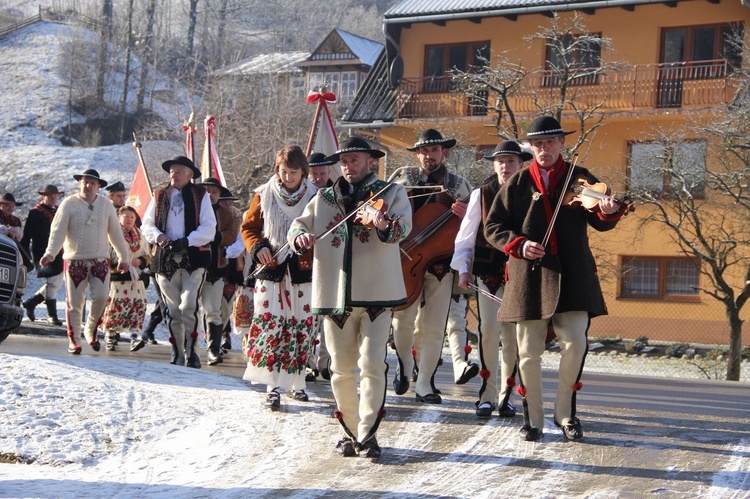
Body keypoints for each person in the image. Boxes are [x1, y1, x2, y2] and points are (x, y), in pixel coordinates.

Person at [484, 117, 628, 441]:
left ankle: (565, 413)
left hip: (573, 275)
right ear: (531, 147)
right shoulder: (518, 183)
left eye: (549, 142)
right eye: (537, 144)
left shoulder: (581, 179)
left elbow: (601, 221)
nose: (543, 149)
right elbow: (492, 227)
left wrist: (607, 209)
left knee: (576, 344)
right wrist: (519, 244)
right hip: (528, 278)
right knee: (527, 352)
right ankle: (532, 420)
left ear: (562, 144)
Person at [290, 137, 412, 459]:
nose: (348, 166)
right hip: (335, 293)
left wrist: (385, 224)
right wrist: (299, 237)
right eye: (344, 161)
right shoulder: (324, 198)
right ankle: (349, 430)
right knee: (341, 369)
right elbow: (298, 226)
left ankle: (368, 433)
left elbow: (402, 230)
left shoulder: (392, 193)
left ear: (370, 161)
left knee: (373, 364)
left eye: (355, 160)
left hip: (377, 294)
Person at [391, 129, 473, 404]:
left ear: (443, 153)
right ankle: (404, 366)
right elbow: (382, 206)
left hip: (441, 262)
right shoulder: (401, 178)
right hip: (405, 258)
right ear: (417, 154)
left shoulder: (458, 185)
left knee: (436, 325)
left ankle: (425, 383)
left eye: (434, 150)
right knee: (402, 320)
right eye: (424, 151)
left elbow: (473, 225)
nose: (429, 156)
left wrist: (465, 215)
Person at [452, 140, 531, 418]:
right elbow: (466, 235)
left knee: (512, 337)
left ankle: (506, 395)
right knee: (488, 332)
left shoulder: (531, 193)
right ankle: (486, 394)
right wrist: (462, 268)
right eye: (501, 161)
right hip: (486, 272)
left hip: (520, 273)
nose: (505, 166)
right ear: (494, 165)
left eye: (511, 161)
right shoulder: (482, 193)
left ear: (521, 164)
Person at [241, 144, 317, 409]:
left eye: (293, 172)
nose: (288, 177)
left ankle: (296, 382)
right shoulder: (264, 194)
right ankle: (272, 386)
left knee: (299, 327)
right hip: (272, 270)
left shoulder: (315, 197)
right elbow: (249, 228)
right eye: (284, 172)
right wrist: (258, 247)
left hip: (302, 271)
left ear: (303, 172)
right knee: (273, 326)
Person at [41, 169, 130, 354]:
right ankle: (74, 340)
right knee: (75, 303)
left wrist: (123, 257)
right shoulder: (68, 204)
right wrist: (50, 253)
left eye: (92, 183)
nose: (88, 186)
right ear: (79, 183)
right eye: (84, 182)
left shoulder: (105, 205)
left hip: (100, 260)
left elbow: (116, 233)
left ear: (98, 187)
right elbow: (57, 232)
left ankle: (90, 329)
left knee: (102, 297)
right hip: (75, 261)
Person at [141, 156, 216, 368]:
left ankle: (192, 351)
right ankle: (177, 352)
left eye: (179, 171)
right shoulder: (159, 195)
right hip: (164, 261)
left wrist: (188, 241)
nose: (174, 174)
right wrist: (159, 237)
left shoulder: (200, 195)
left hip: (193, 259)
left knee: (188, 306)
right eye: (172, 171)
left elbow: (209, 227)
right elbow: (146, 225)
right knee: (172, 310)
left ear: (190, 175)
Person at [195, 177, 238, 366]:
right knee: (189, 310)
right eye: (207, 191)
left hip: (216, 268)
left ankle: (213, 350)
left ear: (219, 195)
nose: (210, 195)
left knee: (213, 310)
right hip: (192, 268)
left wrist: (215, 236)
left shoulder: (225, 215)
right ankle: (187, 349)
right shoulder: (193, 211)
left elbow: (231, 234)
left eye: (214, 192)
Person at [306, 151, 337, 380]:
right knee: (308, 316)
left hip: (330, 260)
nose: (317, 178)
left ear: (328, 172)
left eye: (321, 173)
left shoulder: (336, 194)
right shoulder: (303, 194)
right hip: (306, 262)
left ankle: (326, 361)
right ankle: (308, 361)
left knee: (327, 315)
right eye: (314, 174)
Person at [101, 206, 150, 351]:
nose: (129, 220)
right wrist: (119, 264)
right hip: (118, 277)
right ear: (118, 218)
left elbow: (148, 255)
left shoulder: (140, 235)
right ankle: (110, 336)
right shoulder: (112, 235)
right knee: (115, 306)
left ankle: (134, 337)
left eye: (132, 217)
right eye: (125, 216)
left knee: (137, 306)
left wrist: (141, 261)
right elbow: (106, 255)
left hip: (136, 278)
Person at [21, 185, 65, 326]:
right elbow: (26, 235)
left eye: (55, 196)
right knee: (52, 282)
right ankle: (52, 315)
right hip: (42, 252)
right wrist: (24, 255)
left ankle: (31, 302)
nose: (53, 198)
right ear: (43, 196)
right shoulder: (35, 212)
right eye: (50, 196)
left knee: (56, 283)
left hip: (59, 251)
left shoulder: (59, 210)